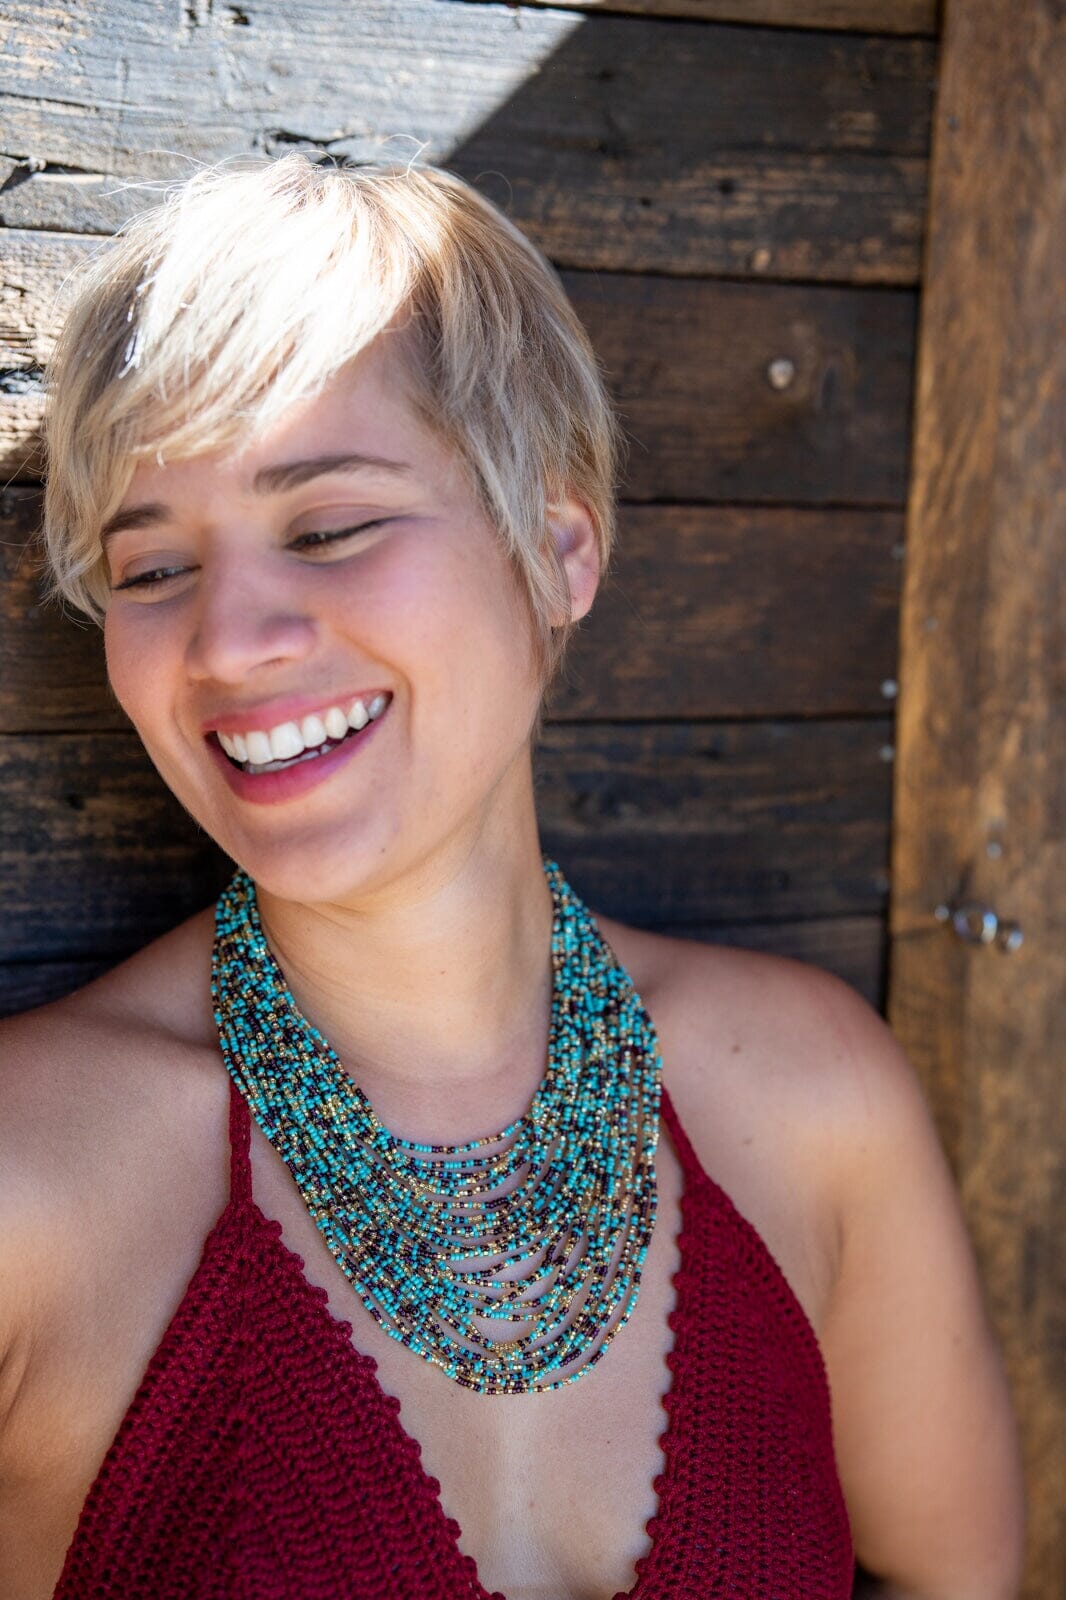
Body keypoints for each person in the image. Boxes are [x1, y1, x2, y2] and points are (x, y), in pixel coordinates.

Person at [0, 154, 1024, 1600]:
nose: (226, 642)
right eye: (152, 570)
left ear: (555, 550)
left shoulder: (812, 1096)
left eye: (329, 528)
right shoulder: (29, 1178)